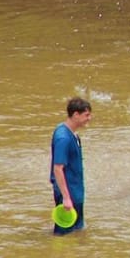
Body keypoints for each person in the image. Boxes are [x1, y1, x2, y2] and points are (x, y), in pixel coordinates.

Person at [50, 97, 92, 235]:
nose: (89, 118)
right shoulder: (63, 138)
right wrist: (66, 198)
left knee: (77, 231)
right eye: (86, 115)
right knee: (63, 234)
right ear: (76, 115)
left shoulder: (72, 134)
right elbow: (58, 168)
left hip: (75, 189)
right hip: (68, 192)